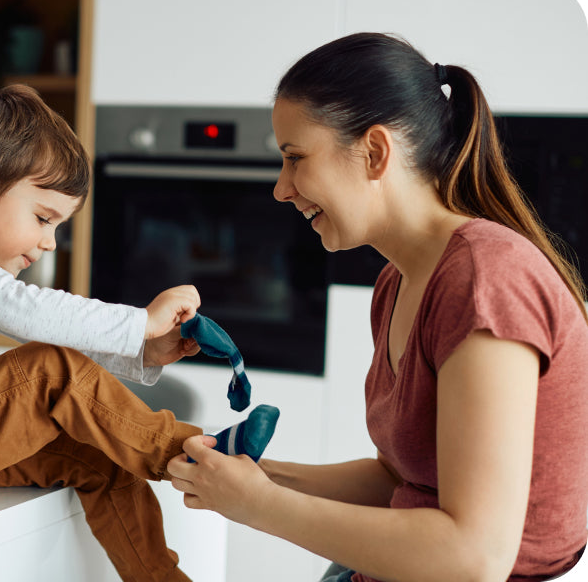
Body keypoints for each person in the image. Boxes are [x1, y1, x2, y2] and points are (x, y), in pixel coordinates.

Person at [168, 32, 588, 582]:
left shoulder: (486, 279)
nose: (281, 188)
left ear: (374, 152)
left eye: (295, 158)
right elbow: (401, 481)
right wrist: (251, 478)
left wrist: (259, 506)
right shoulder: (398, 283)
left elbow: (475, 556)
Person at [0, 84, 278, 582]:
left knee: (102, 457)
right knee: (46, 369)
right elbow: (31, 322)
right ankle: (195, 452)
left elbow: (65, 356)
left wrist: (143, 351)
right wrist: (140, 321)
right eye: (43, 218)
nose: (49, 242)